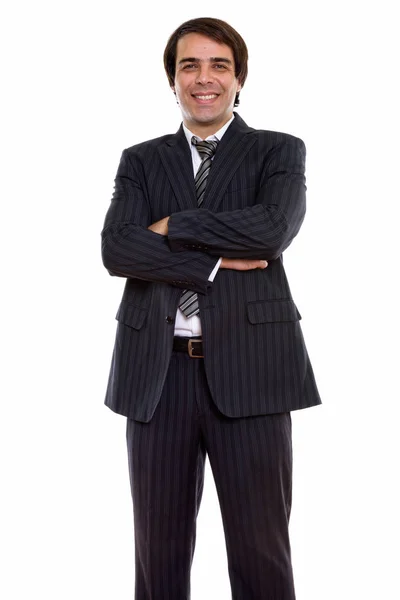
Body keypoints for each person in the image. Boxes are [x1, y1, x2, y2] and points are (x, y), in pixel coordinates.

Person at [101, 16, 322, 600]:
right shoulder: (142, 160)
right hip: (158, 375)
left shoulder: (277, 151)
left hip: (254, 373)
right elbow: (117, 247)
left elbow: (272, 230)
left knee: (260, 552)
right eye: (188, 66)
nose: (204, 79)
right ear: (172, 80)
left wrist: (173, 226)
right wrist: (211, 262)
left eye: (219, 65)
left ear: (239, 77)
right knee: (159, 553)